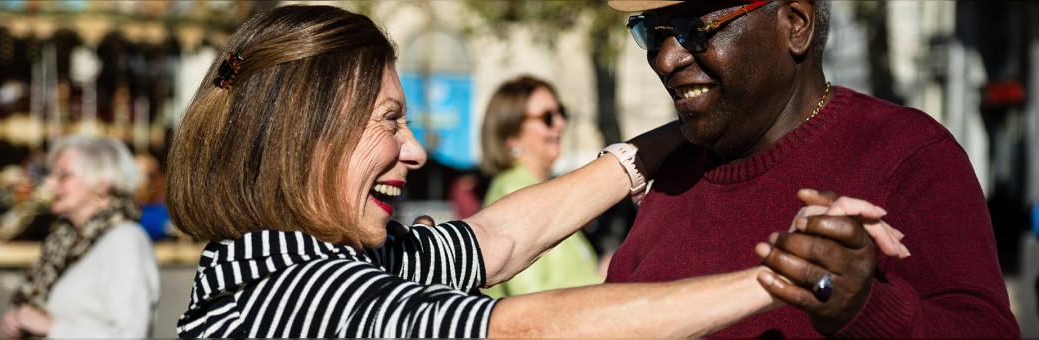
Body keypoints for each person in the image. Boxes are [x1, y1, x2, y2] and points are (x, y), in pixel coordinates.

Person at [166, 5, 908, 338]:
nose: (416, 150)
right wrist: (783, 276)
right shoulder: (294, 294)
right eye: (390, 121)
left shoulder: (318, 257)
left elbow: (494, 241)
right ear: (306, 135)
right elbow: (526, 328)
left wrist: (659, 145)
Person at [606, 0, 1018, 337]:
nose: (666, 61)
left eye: (693, 29)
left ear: (795, 24)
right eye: (652, 33)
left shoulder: (909, 153)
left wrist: (866, 308)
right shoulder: (674, 172)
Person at [0, 135, 160, 338]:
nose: (49, 183)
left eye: (63, 175)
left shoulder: (125, 239)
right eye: (51, 174)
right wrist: (18, 323)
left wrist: (51, 327)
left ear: (102, 183)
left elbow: (130, 335)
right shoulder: (65, 242)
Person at [478, 76, 601, 298]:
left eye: (561, 112)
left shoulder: (539, 187)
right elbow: (528, 296)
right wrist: (603, 278)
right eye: (547, 117)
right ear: (512, 134)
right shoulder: (514, 191)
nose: (560, 124)